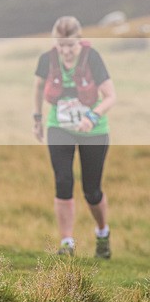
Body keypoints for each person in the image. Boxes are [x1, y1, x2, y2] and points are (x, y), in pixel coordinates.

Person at [33, 16, 116, 258]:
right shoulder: (47, 60)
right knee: (63, 181)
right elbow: (38, 87)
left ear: (79, 41)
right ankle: (67, 243)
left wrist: (92, 116)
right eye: (61, 46)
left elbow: (111, 96)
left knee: (91, 190)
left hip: (94, 130)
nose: (66, 51)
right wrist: (37, 118)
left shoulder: (93, 59)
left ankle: (102, 233)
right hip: (58, 127)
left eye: (70, 45)